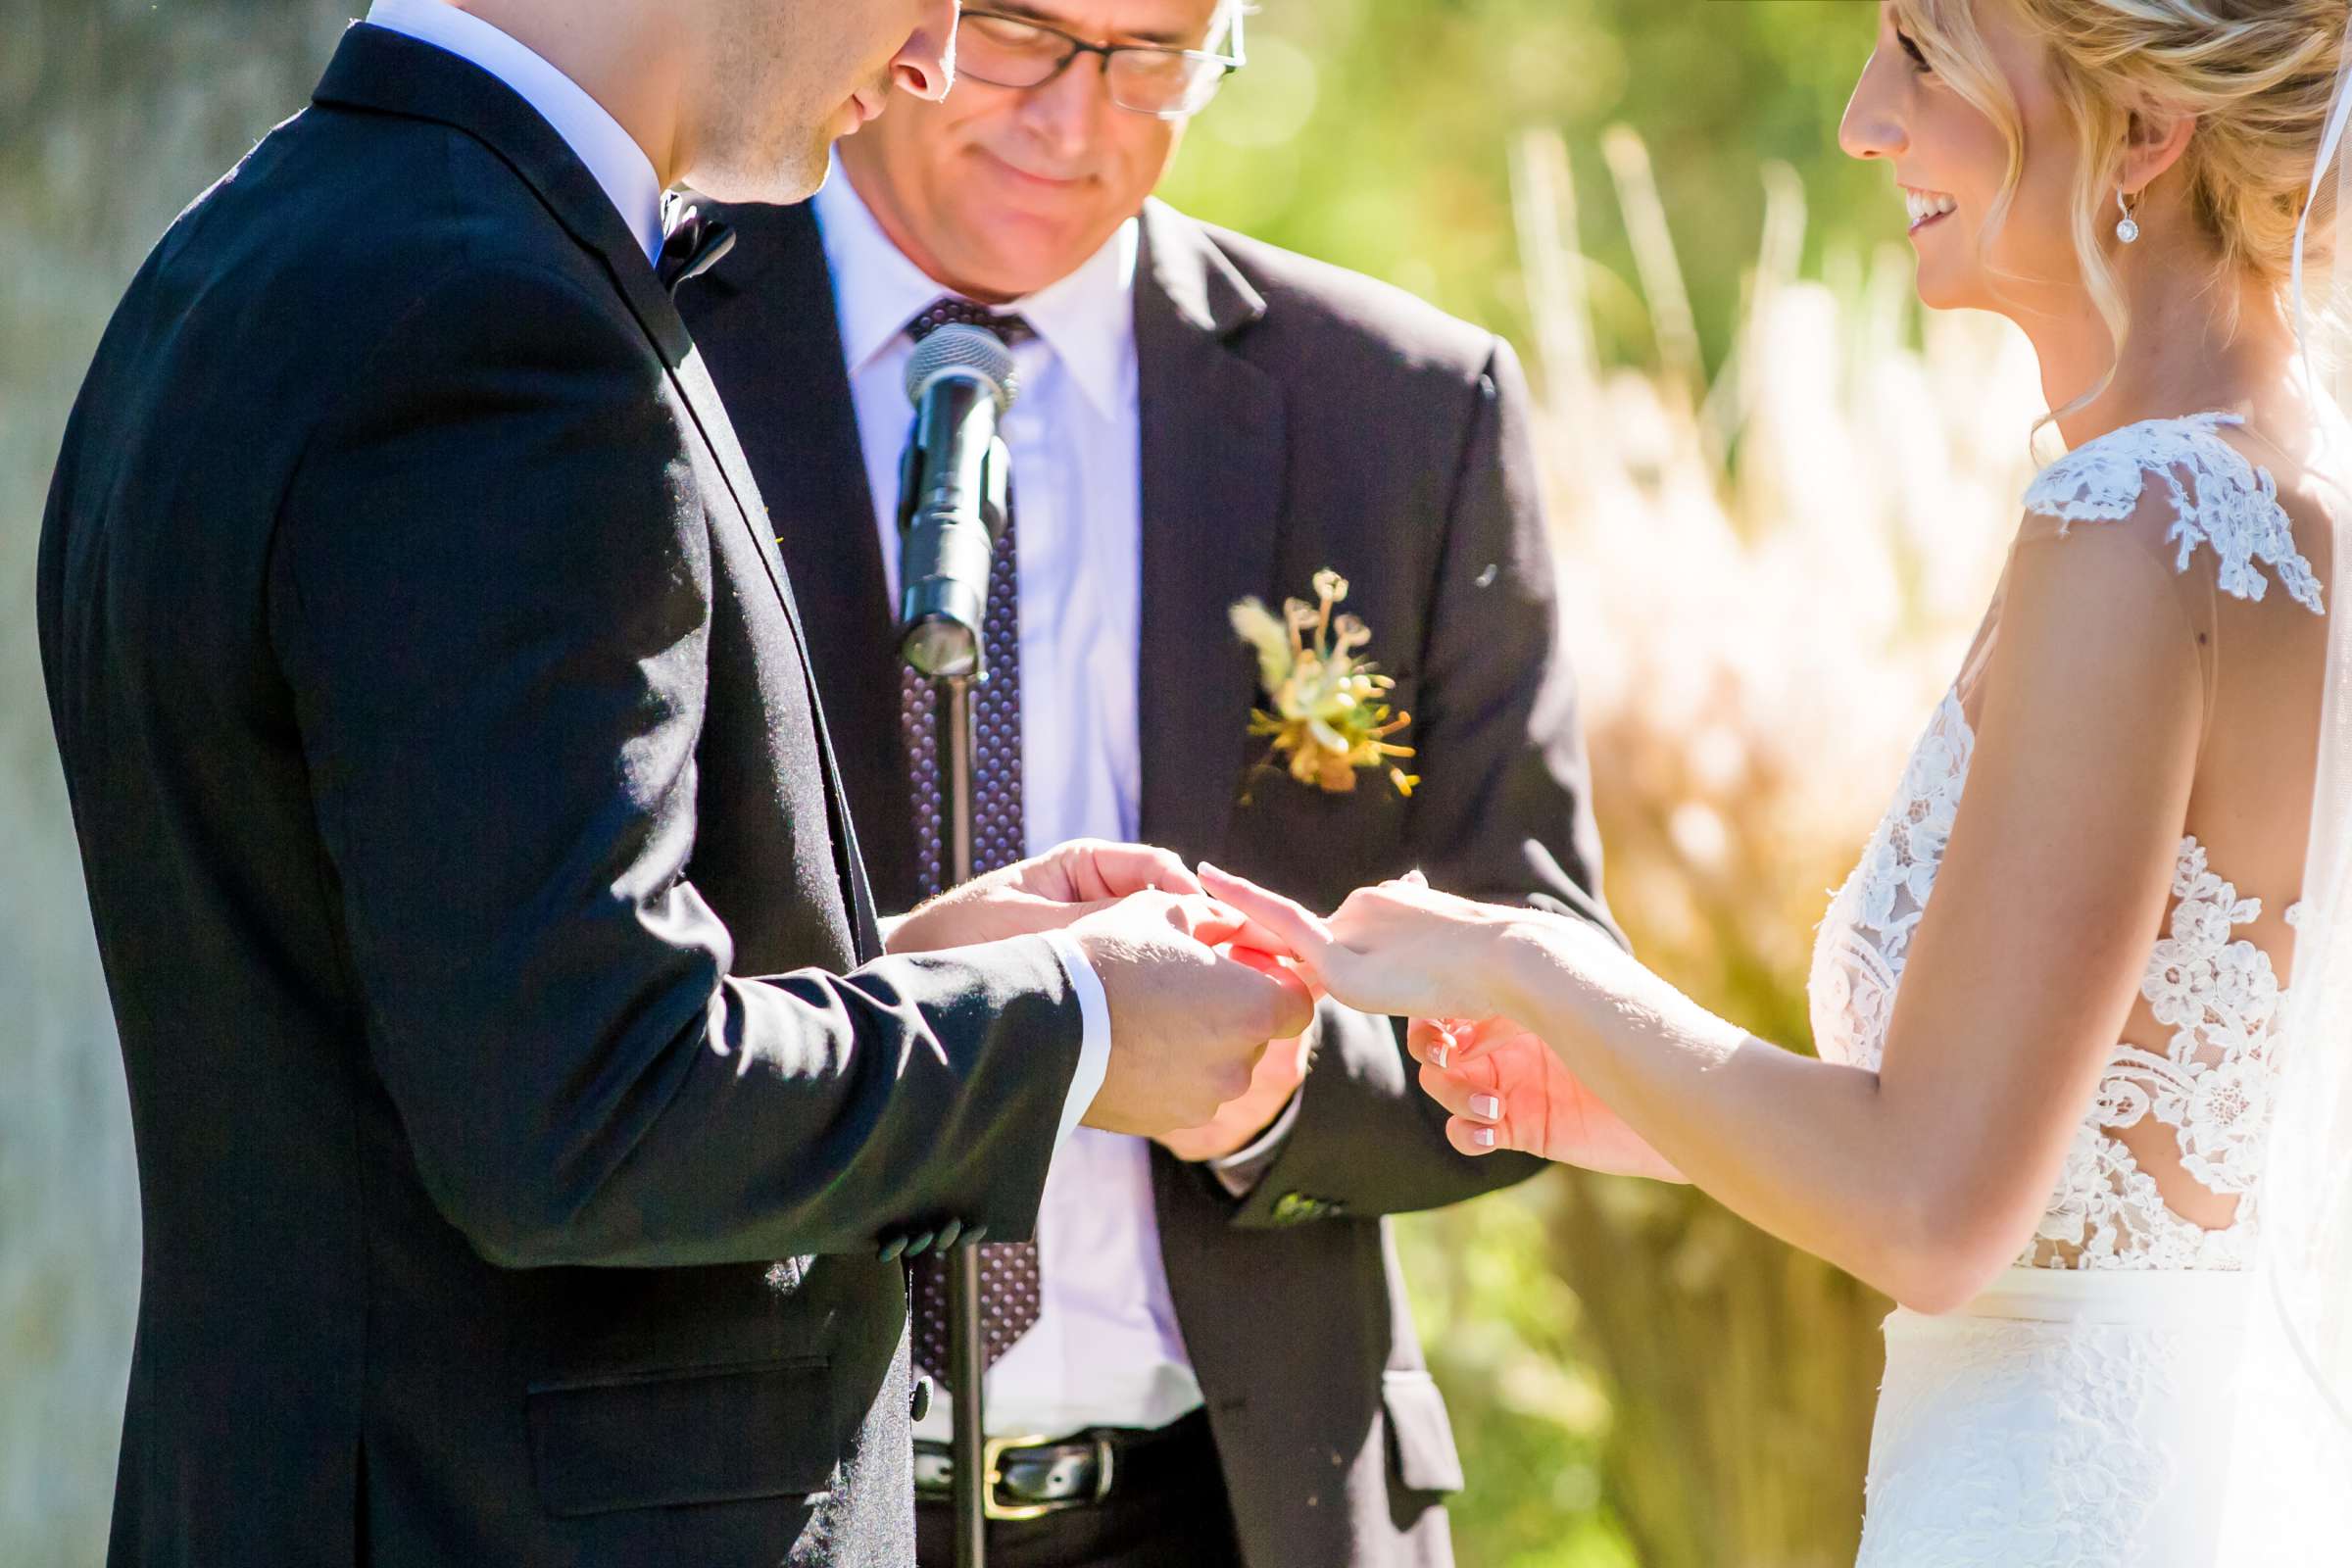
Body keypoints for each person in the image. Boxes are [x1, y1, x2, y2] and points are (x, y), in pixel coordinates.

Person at [33, 0, 1314, 1561]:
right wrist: (1079, 1027)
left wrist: (905, 972)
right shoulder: (496, 323)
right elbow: (580, 1121)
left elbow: (443, 1004)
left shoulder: (249, 249)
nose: (927, 57)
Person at [1202, 1, 2352, 1562]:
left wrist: (1534, 963)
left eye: (1925, 56)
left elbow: (1935, 1214)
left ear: (2144, 129)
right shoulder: (2289, 490)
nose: (1865, 119)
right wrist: (1639, 1100)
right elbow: (2095, 1169)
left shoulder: (2135, 519)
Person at [670, 1, 1615, 1562]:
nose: (1077, 118)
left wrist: (1272, 1092)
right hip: (765, 1501)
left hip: (1238, 1509)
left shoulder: (1401, 409)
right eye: (1024, 34)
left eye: (1156, 53)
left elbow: (1553, 1008)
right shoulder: (647, 340)